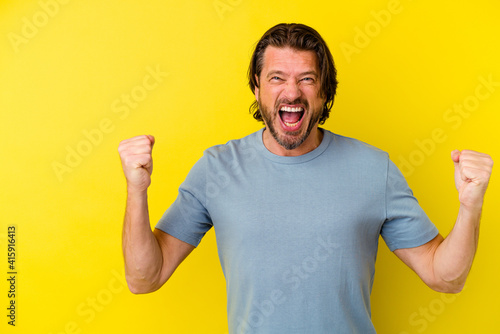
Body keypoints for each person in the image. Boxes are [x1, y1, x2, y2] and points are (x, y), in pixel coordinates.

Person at [118, 23, 493, 333]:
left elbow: (445, 277)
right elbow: (144, 278)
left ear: (325, 90)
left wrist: (470, 205)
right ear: (257, 86)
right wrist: (137, 191)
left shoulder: (373, 168)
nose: (292, 92)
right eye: (277, 77)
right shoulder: (217, 169)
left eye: (307, 79)